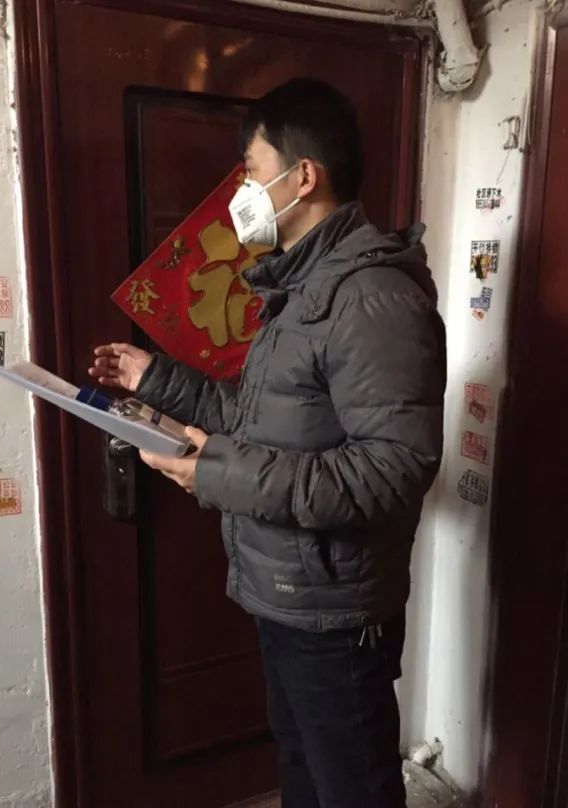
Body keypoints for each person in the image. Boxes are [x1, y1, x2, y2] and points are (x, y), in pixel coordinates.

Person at [90, 78, 446, 807]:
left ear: (303, 176)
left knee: (353, 788)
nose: (241, 193)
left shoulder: (371, 297)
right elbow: (260, 417)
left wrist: (212, 471)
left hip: (336, 610)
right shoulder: (302, 290)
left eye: (251, 171)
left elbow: (391, 469)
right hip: (288, 591)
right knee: (303, 770)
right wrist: (157, 379)